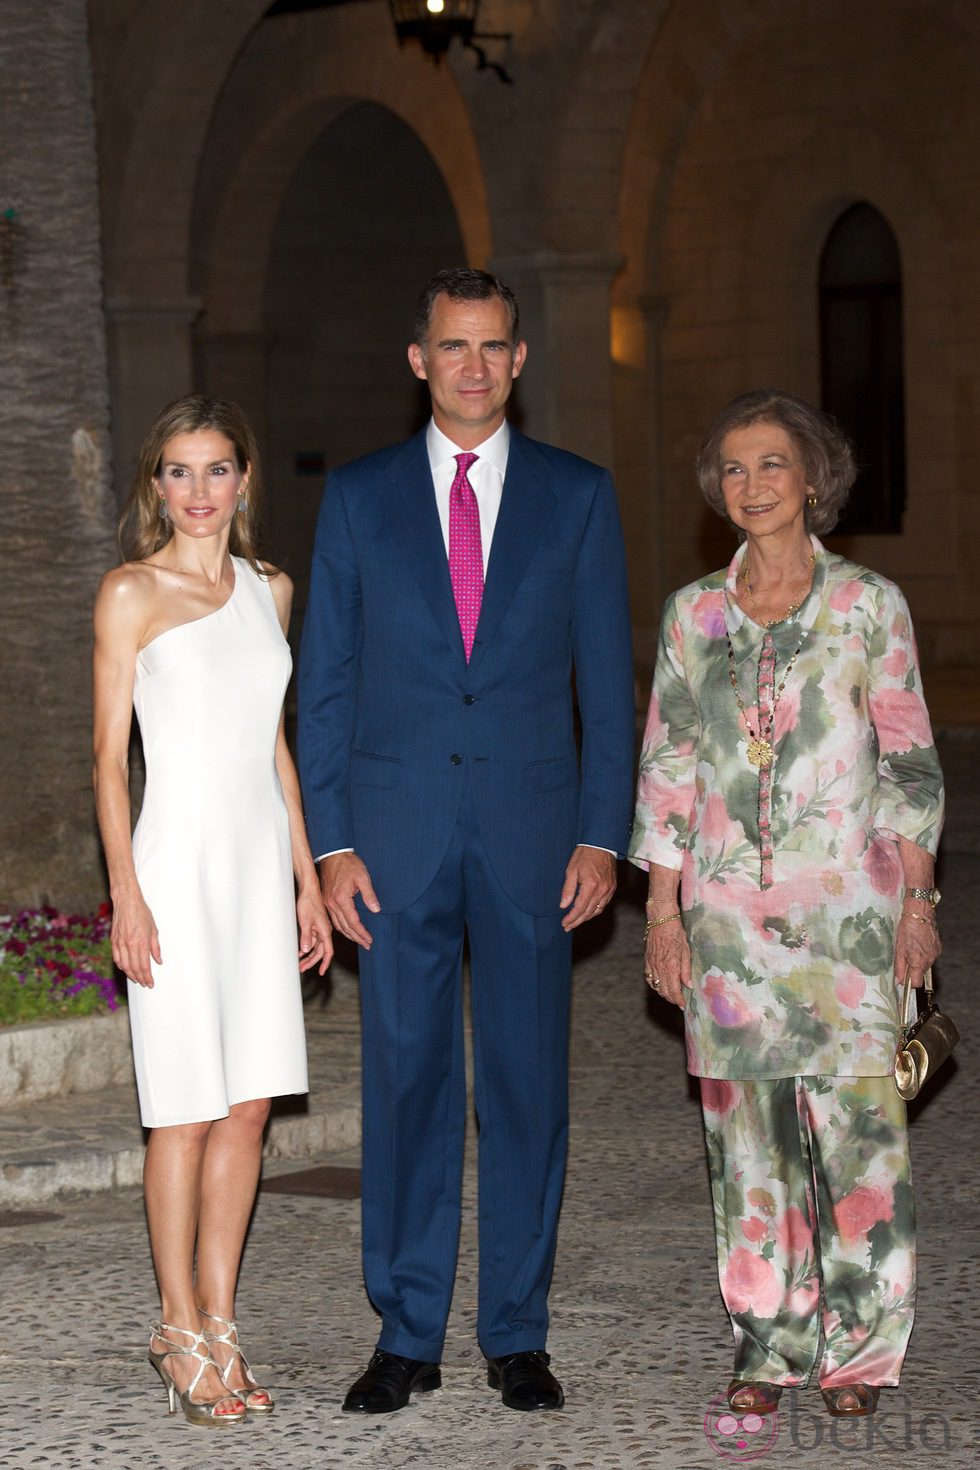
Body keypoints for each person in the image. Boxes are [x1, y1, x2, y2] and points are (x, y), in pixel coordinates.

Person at [298, 267, 635, 1414]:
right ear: (417, 359)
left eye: (493, 347)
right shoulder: (356, 497)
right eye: (453, 347)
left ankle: (515, 1332)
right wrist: (331, 843)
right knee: (403, 1084)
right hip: (390, 843)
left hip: (538, 838)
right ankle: (404, 1331)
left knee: (528, 1085)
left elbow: (606, 679)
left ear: (520, 358)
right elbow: (326, 685)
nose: (474, 366)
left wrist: (602, 834)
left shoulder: (577, 496)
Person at [630, 388, 944, 1420]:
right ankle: (766, 1345)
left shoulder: (867, 605)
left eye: (771, 464)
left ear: (812, 478)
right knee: (745, 1147)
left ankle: (857, 1354)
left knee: (858, 1138)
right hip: (723, 926)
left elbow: (906, 764)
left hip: (849, 919)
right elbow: (668, 770)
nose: (750, 484)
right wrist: (663, 915)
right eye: (731, 468)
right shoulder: (692, 615)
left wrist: (915, 903)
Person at [92, 395, 331, 1427]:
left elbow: (271, 742)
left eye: (216, 470)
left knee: (247, 1108)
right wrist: (125, 897)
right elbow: (107, 760)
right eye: (177, 473)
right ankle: (176, 1324)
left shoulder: (270, 591)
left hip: (251, 866)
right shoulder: (129, 592)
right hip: (175, 867)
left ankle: (222, 1319)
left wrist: (307, 877)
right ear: (156, 487)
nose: (198, 491)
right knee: (183, 1109)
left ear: (243, 480)